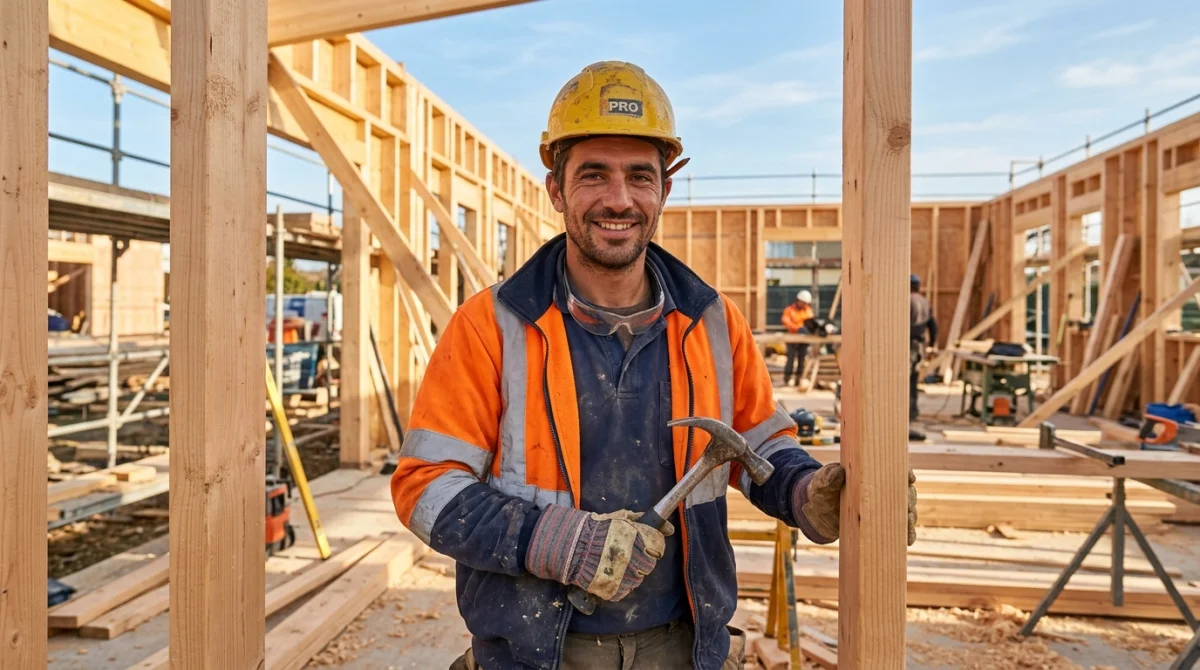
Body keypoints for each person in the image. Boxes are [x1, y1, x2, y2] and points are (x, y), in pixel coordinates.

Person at [388, 61, 918, 670]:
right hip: (535, 654)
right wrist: (557, 540)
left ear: (665, 188)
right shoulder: (492, 326)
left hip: (684, 647)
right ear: (556, 188)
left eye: (640, 176)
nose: (619, 199)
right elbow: (425, 489)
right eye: (594, 175)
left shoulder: (713, 321)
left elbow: (759, 448)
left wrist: (804, 491)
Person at [909, 273, 938, 421]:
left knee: (902, 379)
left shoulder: (906, 301)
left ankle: (904, 412)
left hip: (907, 345)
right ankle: (912, 411)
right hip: (919, 345)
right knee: (913, 379)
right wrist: (932, 344)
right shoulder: (925, 302)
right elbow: (933, 326)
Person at [780, 290, 815, 387]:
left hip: (804, 339)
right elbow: (785, 321)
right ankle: (787, 378)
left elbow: (811, 321)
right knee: (790, 358)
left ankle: (798, 379)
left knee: (802, 359)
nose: (804, 305)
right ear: (798, 300)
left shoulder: (807, 310)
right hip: (792, 338)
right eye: (803, 302)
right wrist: (797, 328)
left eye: (806, 303)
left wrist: (807, 329)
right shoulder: (789, 310)